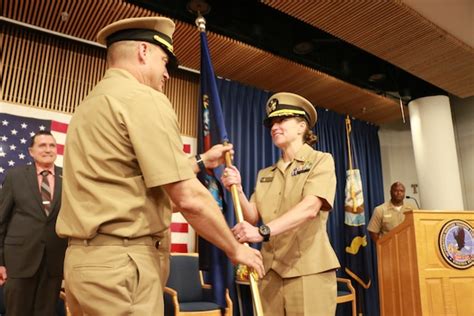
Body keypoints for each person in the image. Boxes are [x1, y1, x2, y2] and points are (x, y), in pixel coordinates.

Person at [55, 16, 263, 315]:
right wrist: (235, 248)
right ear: (143, 51)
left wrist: (203, 161)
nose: (166, 74)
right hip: (123, 268)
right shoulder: (143, 98)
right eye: (164, 61)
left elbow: (129, 186)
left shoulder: (90, 105)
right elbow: (188, 198)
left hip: (85, 265)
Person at [221, 92, 340, 315]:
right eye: (271, 123)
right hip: (270, 273)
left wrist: (262, 232)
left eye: (282, 120)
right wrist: (237, 188)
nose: (274, 127)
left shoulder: (321, 161)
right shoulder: (265, 174)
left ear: (301, 126)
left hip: (308, 271)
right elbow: (253, 216)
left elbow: (310, 208)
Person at [0, 131, 67, 316]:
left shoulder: (68, 177)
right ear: (31, 151)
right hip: (19, 260)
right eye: (42, 145)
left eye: (52, 145)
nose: (48, 149)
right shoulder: (15, 176)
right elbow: (1, 220)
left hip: (54, 261)